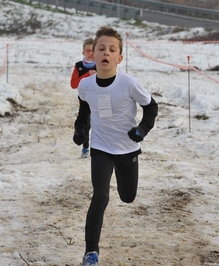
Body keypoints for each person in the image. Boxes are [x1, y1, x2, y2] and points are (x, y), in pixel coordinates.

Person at [72, 26, 158, 266]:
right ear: (93, 55)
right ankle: (91, 252)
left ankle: (126, 185)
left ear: (119, 58)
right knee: (100, 196)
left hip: (127, 148)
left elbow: (152, 107)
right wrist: (80, 129)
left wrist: (142, 130)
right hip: (100, 147)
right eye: (101, 48)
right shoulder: (86, 86)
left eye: (112, 49)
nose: (105, 53)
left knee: (128, 196)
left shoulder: (129, 84)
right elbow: (84, 111)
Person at [70, 37, 96, 158]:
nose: (90, 53)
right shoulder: (79, 66)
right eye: (87, 50)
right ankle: (85, 148)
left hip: (100, 99)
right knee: (85, 124)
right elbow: (73, 84)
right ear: (83, 52)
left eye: (93, 51)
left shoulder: (101, 65)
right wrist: (87, 75)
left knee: (99, 124)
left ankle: (99, 149)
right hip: (84, 100)